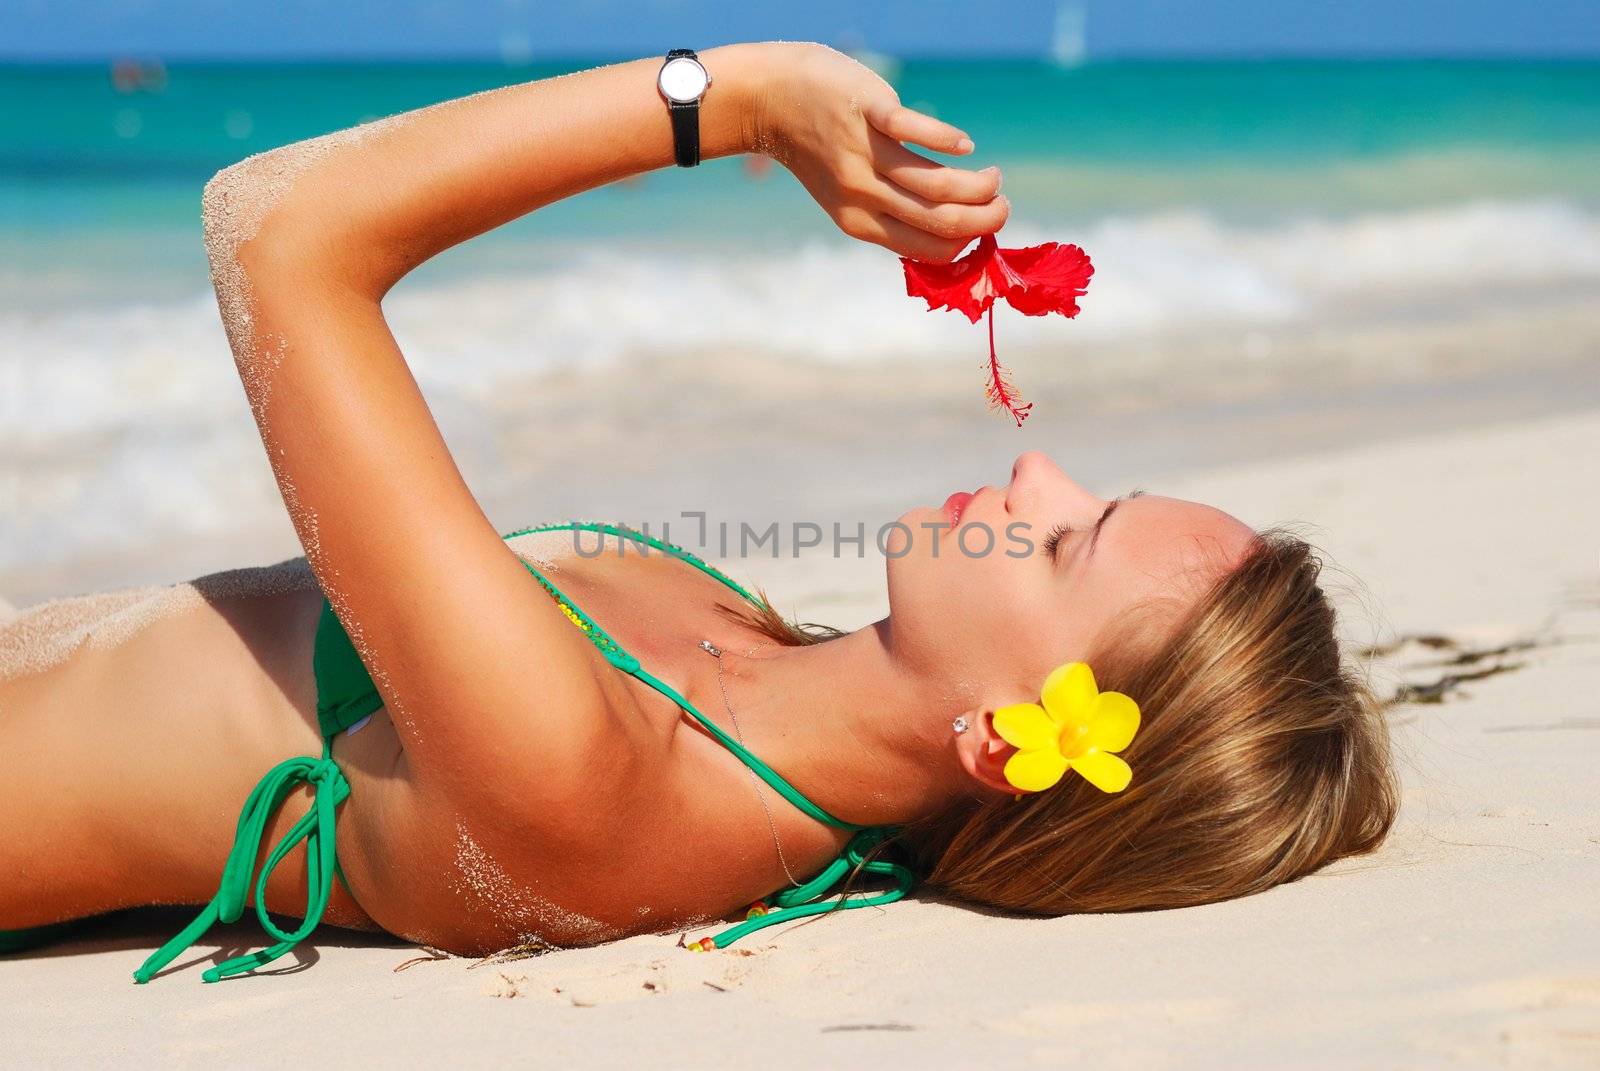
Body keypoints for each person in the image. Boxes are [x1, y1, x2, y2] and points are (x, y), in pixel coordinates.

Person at [0, 41, 1397, 982]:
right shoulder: (750, 644)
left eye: (1061, 544)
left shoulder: (588, 780)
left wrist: (727, 96)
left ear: (998, 742)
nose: (1036, 479)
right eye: (1097, 492)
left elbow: (275, 232)